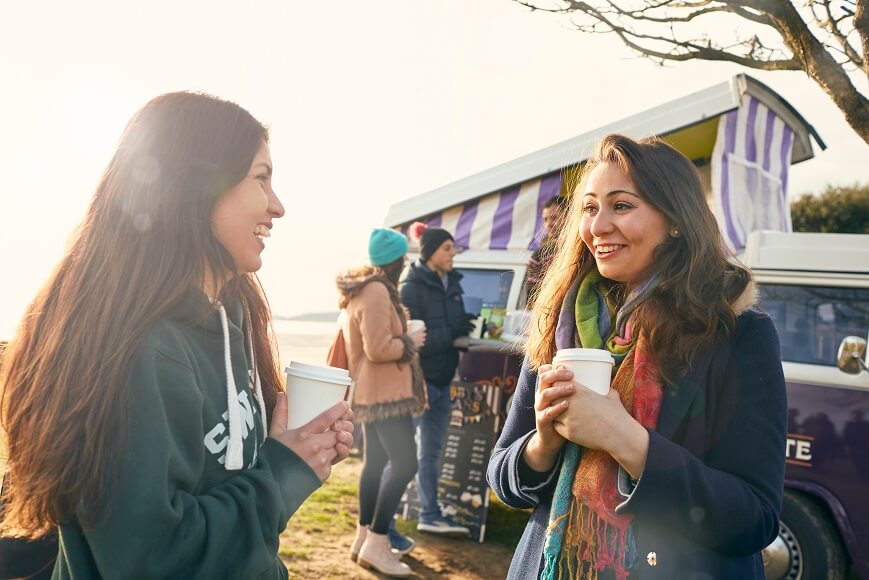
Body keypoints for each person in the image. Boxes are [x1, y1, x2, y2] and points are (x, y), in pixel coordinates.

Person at [0, 92, 354, 579]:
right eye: (261, 178)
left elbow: (224, 483)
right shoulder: (138, 353)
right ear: (197, 187)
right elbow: (153, 560)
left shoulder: (232, 316)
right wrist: (284, 472)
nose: (278, 206)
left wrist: (298, 442)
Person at [487, 134, 787, 579]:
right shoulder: (561, 323)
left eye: (621, 206)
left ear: (676, 220)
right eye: (589, 208)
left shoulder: (735, 331)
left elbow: (755, 517)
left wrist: (627, 441)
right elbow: (502, 477)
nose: (598, 226)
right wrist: (542, 445)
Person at [337, 228, 428, 577]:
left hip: (371, 393)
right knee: (406, 465)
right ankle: (377, 543)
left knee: (375, 465)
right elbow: (377, 348)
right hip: (385, 396)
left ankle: (363, 539)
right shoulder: (376, 290)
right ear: (395, 259)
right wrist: (409, 340)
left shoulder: (365, 289)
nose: (407, 262)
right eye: (404, 256)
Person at [400, 226, 473, 536]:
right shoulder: (410, 286)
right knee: (401, 456)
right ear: (430, 252)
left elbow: (453, 321)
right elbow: (416, 339)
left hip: (444, 380)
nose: (452, 253)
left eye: (453, 247)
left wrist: (467, 325)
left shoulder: (453, 282)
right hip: (420, 381)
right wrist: (454, 337)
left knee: (431, 452)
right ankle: (381, 523)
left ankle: (429, 514)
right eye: (446, 248)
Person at [525, 195, 569, 307]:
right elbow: (531, 295)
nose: (549, 224)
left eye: (554, 218)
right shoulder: (539, 255)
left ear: (569, 217)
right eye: (545, 219)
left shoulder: (585, 247)